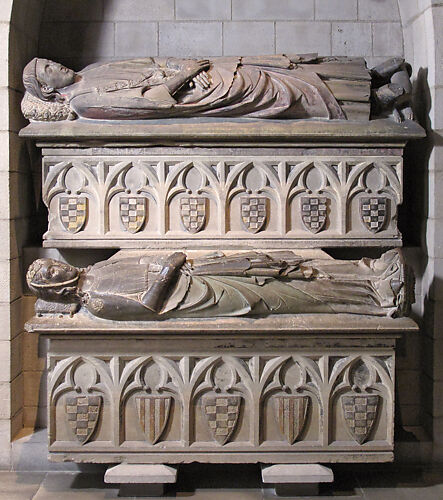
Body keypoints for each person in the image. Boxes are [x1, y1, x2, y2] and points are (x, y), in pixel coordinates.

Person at [26, 249, 412, 320]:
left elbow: (144, 262)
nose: (54, 268)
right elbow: (147, 305)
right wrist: (166, 269)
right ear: (54, 290)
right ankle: (376, 299)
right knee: (285, 295)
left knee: (280, 265)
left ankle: (368, 271)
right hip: (203, 298)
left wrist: (167, 264)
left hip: (199, 272)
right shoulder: (96, 301)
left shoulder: (99, 267)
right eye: (48, 275)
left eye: (48, 264)